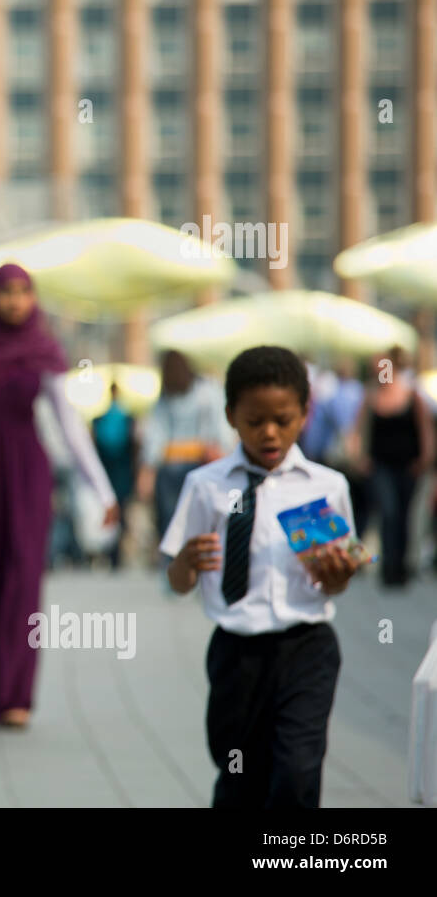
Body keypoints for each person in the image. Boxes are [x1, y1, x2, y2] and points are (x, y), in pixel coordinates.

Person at [161, 346, 359, 808]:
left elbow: (337, 582)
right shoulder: (206, 485)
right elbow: (176, 580)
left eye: (283, 419)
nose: (269, 432)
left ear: (305, 414)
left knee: (297, 768)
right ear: (231, 415)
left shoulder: (325, 486)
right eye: (254, 421)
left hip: (307, 645)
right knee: (238, 775)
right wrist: (185, 564)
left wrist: (337, 574)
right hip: (237, 653)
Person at [0, 264, 117, 729]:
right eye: (5, 292)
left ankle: (16, 695)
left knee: (22, 582)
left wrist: (101, 488)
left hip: (27, 474)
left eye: (24, 292)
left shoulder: (42, 351)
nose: (14, 301)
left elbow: (70, 427)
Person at [348, 346, 434, 587]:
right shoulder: (372, 396)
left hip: (408, 466)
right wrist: (359, 458)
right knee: (388, 511)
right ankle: (388, 566)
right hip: (380, 465)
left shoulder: (411, 394)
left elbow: (425, 429)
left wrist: (425, 459)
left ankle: (401, 566)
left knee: (404, 515)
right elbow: (358, 429)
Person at [138, 349, 232, 548]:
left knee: (173, 525)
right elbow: (221, 428)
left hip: (175, 467)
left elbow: (155, 435)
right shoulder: (208, 390)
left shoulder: (169, 396)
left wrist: (147, 470)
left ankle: (175, 566)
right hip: (201, 463)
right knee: (202, 522)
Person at [91, 381, 137, 570]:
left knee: (108, 511)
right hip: (123, 471)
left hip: (106, 471)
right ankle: (117, 553)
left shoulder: (99, 419)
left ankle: (110, 552)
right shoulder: (128, 419)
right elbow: (135, 446)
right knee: (122, 511)